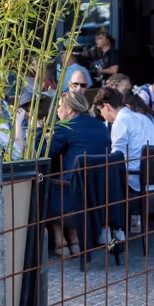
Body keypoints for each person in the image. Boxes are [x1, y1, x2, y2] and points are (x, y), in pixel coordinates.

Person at [45, 89, 112, 255]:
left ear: (69, 109)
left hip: (73, 193)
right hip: (100, 192)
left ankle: (60, 238)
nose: (57, 111)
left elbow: (46, 152)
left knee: (45, 184)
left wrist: (42, 133)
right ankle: (74, 237)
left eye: (59, 106)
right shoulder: (100, 125)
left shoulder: (65, 126)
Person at [96, 87, 154, 193]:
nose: (101, 114)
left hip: (134, 181)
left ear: (106, 106)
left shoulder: (120, 121)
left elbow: (117, 158)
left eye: (100, 110)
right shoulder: (143, 118)